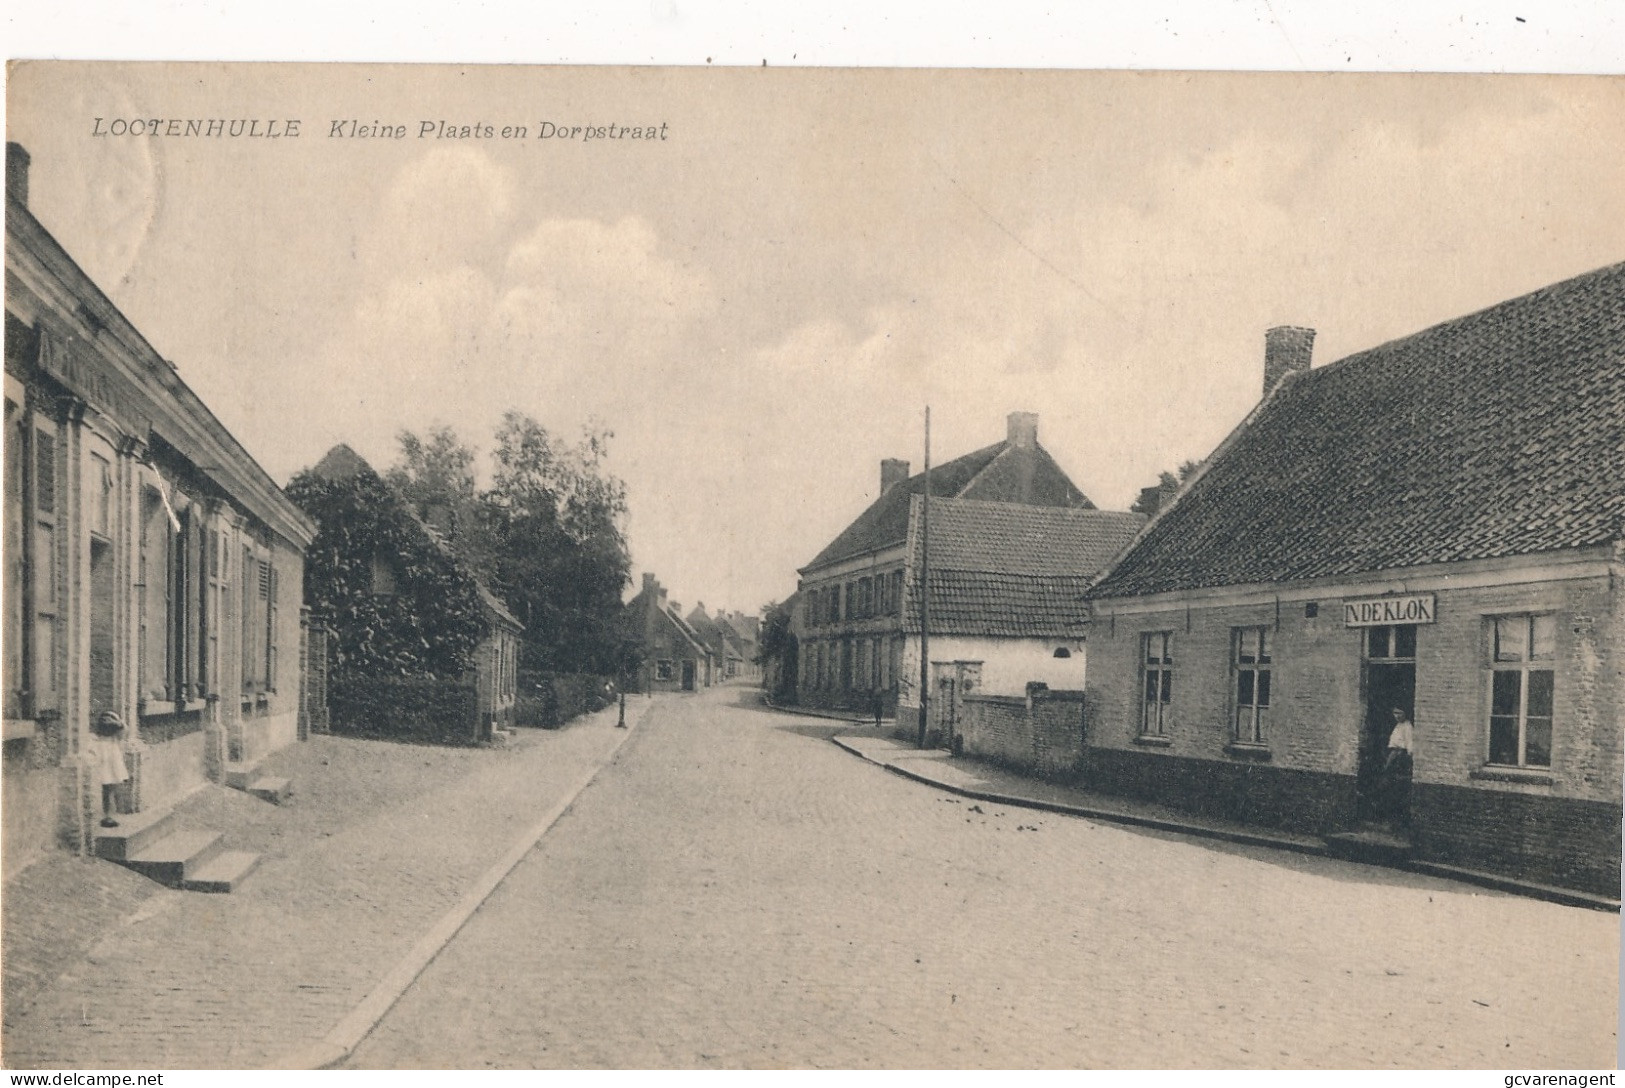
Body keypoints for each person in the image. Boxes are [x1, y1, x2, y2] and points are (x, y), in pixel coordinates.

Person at [91, 711, 129, 828]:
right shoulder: (99, 741)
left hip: (111, 759)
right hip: (103, 758)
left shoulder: (114, 740)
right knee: (105, 787)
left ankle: (108, 815)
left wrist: (119, 723)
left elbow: (124, 733)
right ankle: (105, 815)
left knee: (110, 788)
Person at [1382, 706, 1414, 830]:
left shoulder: (1407, 727)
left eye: (1400, 713)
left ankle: (1398, 823)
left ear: (1405, 713)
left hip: (1400, 759)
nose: (1397, 716)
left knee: (1398, 791)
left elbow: (1409, 747)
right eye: (1395, 713)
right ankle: (1391, 820)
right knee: (1390, 790)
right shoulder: (1398, 726)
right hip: (1394, 757)